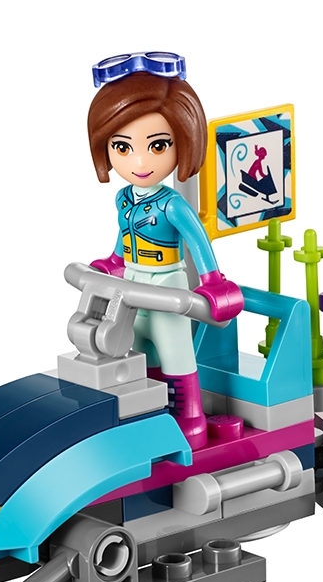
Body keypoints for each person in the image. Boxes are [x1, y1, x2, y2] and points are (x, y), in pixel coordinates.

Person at [87, 54, 244, 448]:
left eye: (158, 146)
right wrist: (115, 261)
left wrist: (212, 280)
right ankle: (151, 414)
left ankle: (189, 418)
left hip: (167, 285)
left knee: (175, 351)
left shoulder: (173, 204)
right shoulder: (124, 198)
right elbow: (125, 232)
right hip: (131, 285)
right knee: (139, 350)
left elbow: (197, 241)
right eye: (122, 147)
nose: (140, 162)